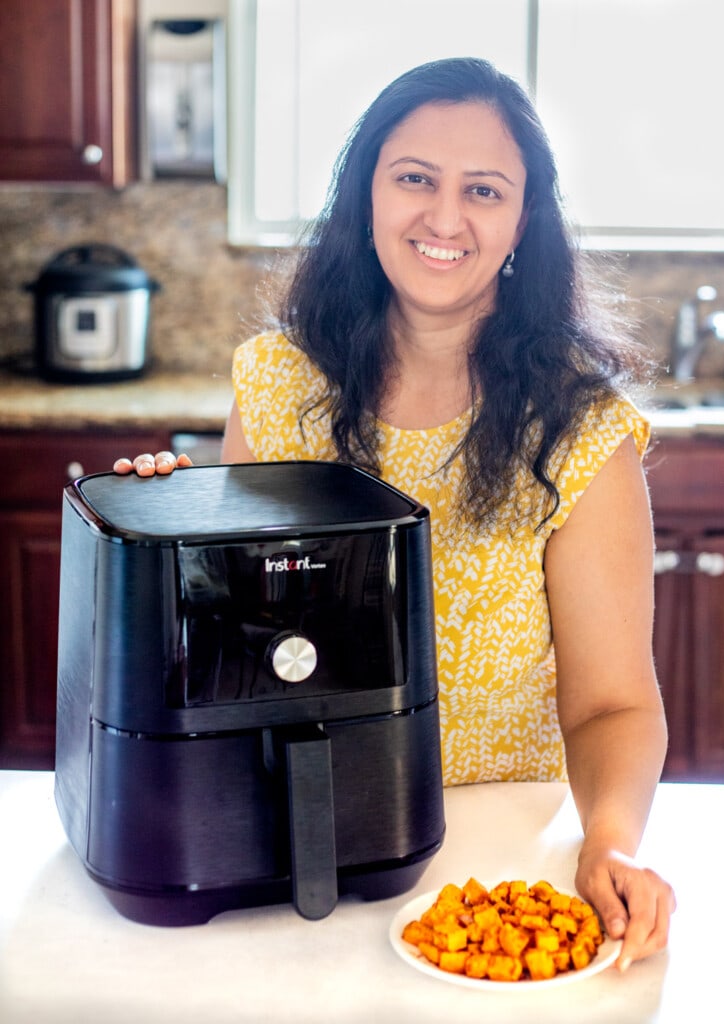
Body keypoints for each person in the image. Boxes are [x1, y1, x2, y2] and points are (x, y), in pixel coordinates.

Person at [115, 57, 675, 969]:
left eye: (483, 190)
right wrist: (162, 544)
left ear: (522, 222)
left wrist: (610, 844)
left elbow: (614, 704)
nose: (445, 217)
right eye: (414, 177)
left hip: (496, 865)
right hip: (299, 834)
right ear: (365, 195)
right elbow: (236, 650)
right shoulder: (277, 387)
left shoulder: (582, 434)